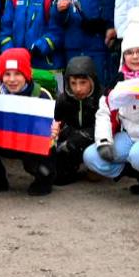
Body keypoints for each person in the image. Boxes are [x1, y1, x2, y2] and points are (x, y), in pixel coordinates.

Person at [83, 11, 139, 181]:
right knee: (91, 156)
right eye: (130, 52)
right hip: (130, 136)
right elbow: (104, 112)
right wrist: (104, 141)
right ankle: (135, 173)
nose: (135, 57)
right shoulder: (118, 80)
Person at [0, 47, 56, 196]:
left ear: (27, 74)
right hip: (2, 140)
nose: (12, 79)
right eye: (7, 74)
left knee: (43, 153)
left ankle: (44, 178)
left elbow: (53, 129)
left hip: (29, 146)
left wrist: (53, 132)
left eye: (18, 73)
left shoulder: (41, 96)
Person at [51, 55, 102, 185]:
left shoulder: (101, 99)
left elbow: (107, 128)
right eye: (73, 83)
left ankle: (93, 165)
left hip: (95, 140)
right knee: (58, 178)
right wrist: (57, 131)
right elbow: (57, 122)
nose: (78, 89)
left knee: (95, 175)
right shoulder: (63, 100)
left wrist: (81, 137)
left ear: (92, 81)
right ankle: (71, 167)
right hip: (70, 141)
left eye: (83, 83)